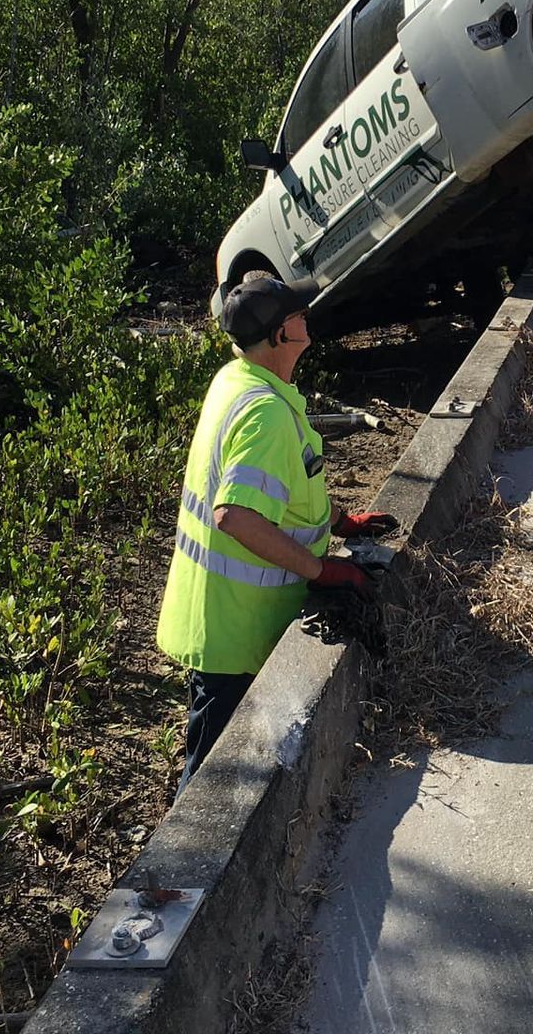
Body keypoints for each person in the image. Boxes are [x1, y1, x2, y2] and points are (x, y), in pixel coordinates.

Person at [156, 272, 390, 789]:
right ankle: (183, 869)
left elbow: (289, 479)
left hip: (220, 616)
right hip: (235, 630)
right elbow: (234, 515)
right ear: (282, 336)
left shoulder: (241, 381)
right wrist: (322, 569)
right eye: (298, 315)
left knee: (216, 752)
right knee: (214, 781)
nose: (308, 318)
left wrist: (339, 521)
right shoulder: (264, 412)